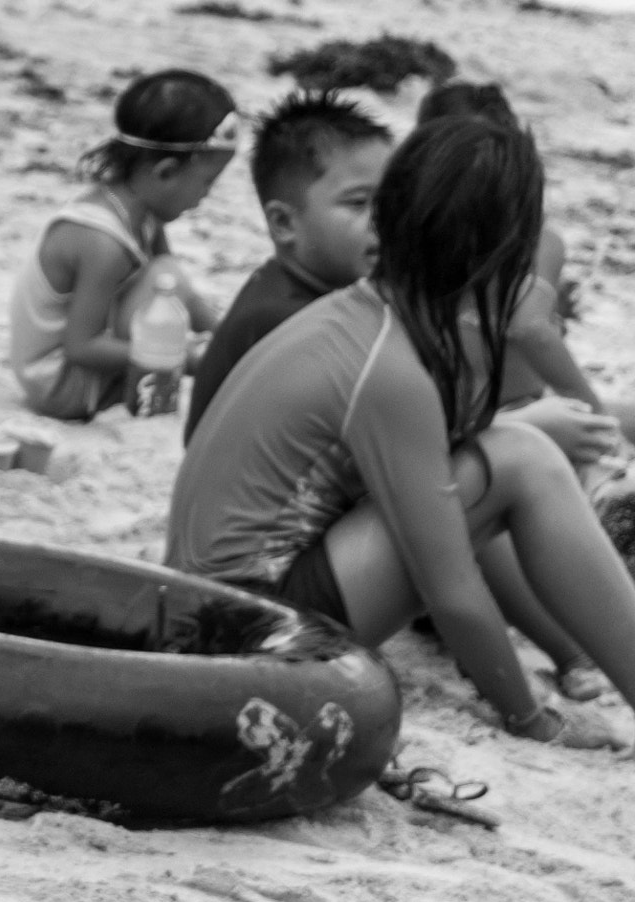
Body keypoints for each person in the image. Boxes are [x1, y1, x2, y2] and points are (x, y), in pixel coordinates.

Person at [168, 117, 635, 749]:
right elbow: (453, 592)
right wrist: (532, 718)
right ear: (502, 252)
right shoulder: (389, 369)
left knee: (502, 459)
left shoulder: (365, 313)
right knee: (523, 460)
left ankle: (586, 654)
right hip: (251, 630)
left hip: (206, 608)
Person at [7, 70, 230, 422]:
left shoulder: (141, 210)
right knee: (163, 289)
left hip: (84, 365)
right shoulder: (102, 242)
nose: (205, 196)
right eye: (206, 183)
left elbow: (179, 290)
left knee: (165, 281)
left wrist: (224, 337)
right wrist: (179, 356)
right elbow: (81, 347)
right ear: (166, 172)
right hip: (62, 385)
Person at [417, 81, 635, 439]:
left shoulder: (404, 238)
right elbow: (529, 328)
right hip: (515, 425)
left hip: (437, 423)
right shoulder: (535, 241)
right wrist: (601, 424)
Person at [183, 90, 392, 445]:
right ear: (283, 223)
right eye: (359, 203)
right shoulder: (285, 319)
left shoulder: (302, 289)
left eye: (393, 201)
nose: (385, 221)